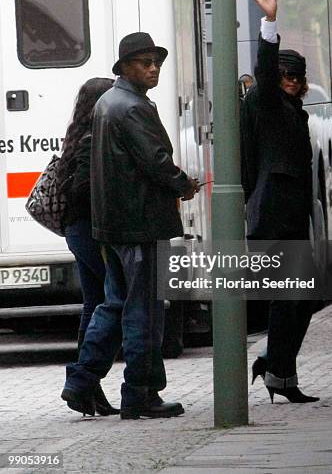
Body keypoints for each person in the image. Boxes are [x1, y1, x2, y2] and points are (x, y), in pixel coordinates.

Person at [61, 32, 199, 419]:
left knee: (114, 304)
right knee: (144, 311)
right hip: (140, 224)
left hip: (114, 226)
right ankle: (140, 392)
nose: (153, 68)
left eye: (156, 61)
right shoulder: (133, 107)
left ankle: (82, 380)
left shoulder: (109, 102)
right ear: (124, 67)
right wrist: (183, 184)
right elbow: (155, 161)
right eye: (144, 62)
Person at [242, 0, 319, 403]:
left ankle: (276, 370)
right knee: (285, 301)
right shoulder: (267, 103)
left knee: (300, 300)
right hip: (272, 218)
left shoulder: (294, 111)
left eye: (297, 76)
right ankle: (278, 374)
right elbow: (266, 72)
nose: (291, 81)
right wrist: (270, 21)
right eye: (285, 75)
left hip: (291, 219)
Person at [58, 77, 117, 416]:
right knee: (115, 302)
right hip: (89, 232)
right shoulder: (92, 139)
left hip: (79, 231)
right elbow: (80, 190)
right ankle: (82, 379)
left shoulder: (78, 134)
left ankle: (88, 388)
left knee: (94, 304)